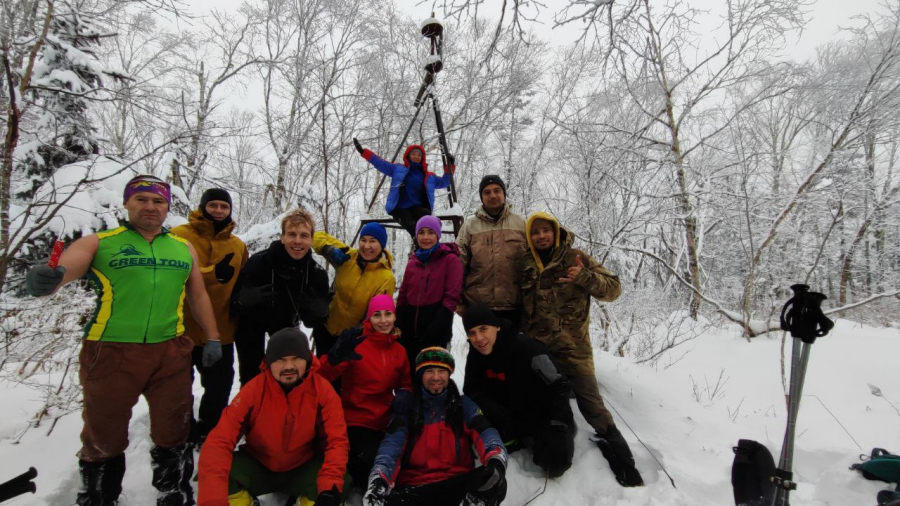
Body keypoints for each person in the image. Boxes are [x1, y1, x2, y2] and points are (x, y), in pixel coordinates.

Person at [24, 174, 222, 506]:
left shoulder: (181, 247)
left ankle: (174, 492)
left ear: (167, 207)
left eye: (158, 201)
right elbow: (67, 267)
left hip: (170, 350)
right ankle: (100, 497)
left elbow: (198, 295)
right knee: (104, 434)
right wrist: (51, 278)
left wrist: (213, 338)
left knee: (174, 428)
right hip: (111, 350)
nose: (150, 207)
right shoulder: (101, 242)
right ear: (127, 203)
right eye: (142, 199)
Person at [519, 211, 643, 487]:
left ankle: (623, 460)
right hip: (538, 351)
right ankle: (542, 448)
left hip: (572, 349)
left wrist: (584, 277)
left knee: (592, 405)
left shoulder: (576, 257)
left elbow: (614, 289)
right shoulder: (525, 264)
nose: (541, 236)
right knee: (534, 402)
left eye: (545, 231)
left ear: (555, 232)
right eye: (535, 232)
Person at [197, 328, 349, 506]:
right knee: (215, 477)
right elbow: (220, 440)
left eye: (297, 359)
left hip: (302, 465)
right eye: (280, 360)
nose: (289, 367)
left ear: (307, 361)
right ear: (269, 362)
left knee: (338, 484)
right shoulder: (253, 390)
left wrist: (328, 489)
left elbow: (336, 441)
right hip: (258, 463)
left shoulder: (323, 392)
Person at [363, 347, 508, 506]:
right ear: (420, 375)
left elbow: (485, 432)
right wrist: (379, 480)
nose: (436, 377)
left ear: (449, 373)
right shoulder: (407, 407)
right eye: (429, 371)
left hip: (456, 484)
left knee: (494, 480)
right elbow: (391, 446)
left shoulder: (463, 405)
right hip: (414, 489)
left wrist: (496, 460)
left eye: (442, 371)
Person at [171, 188, 249, 445]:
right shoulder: (179, 237)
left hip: (222, 329)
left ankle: (210, 429)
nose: (218, 210)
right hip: (183, 329)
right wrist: (211, 273)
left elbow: (244, 282)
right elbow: (173, 276)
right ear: (203, 207)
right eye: (213, 205)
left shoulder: (237, 246)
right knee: (179, 388)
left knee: (219, 386)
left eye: (223, 206)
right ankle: (182, 431)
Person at [462, 303, 575, 478]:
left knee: (555, 461)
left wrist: (558, 423)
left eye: (483, 329)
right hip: (510, 412)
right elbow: (470, 389)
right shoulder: (476, 353)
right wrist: (497, 412)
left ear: (496, 327)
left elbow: (560, 386)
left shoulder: (527, 348)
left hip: (543, 412)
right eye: (472, 333)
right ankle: (515, 437)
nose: (478, 338)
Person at [316, 294, 412, 489]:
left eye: (388, 314)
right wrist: (334, 357)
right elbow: (323, 376)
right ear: (369, 318)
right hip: (355, 418)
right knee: (362, 469)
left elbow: (406, 382)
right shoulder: (356, 344)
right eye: (377, 315)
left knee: (398, 464)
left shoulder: (399, 351)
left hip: (384, 421)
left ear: (395, 317)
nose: (383, 320)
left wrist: (404, 392)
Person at [231, 209, 330, 385]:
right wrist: (241, 299)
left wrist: (318, 312)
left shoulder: (316, 274)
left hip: (286, 323)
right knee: (251, 374)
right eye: (292, 234)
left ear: (311, 240)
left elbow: (313, 323)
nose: (298, 241)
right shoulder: (259, 263)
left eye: (304, 235)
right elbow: (233, 304)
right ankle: (252, 409)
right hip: (252, 322)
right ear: (282, 237)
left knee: (290, 372)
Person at [310, 222, 395, 357]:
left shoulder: (386, 278)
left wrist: (352, 338)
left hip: (349, 340)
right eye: (363, 240)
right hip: (325, 329)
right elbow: (315, 236)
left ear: (382, 245)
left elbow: (376, 316)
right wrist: (328, 249)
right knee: (321, 371)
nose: (366, 246)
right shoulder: (348, 257)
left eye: (373, 241)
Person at [455, 175, 527, 329]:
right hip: (478, 307)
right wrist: (459, 302)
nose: (492, 195)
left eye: (497, 190)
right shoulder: (470, 226)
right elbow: (458, 265)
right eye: (487, 192)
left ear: (504, 194)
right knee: (482, 351)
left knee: (513, 352)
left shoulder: (521, 223)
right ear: (481, 197)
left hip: (515, 306)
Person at [352, 138, 454, 240]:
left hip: (418, 208)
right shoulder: (398, 169)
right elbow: (380, 163)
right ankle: (420, 249)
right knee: (414, 228)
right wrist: (363, 152)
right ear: (408, 155)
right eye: (414, 154)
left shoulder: (429, 176)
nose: (416, 157)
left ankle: (430, 248)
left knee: (427, 223)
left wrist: (450, 166)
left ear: (422, 158)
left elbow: (445, 182)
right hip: (399, 208)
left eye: (419, 155)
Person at [396, 216, 463, 369]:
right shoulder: (413, 262)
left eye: (431, 232)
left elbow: (452, 296)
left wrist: (436, 327)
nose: (426, 237)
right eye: (422, 232)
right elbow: (404, 293)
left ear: (438, 235)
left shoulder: (450, 260)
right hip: (411, 330)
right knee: (410, 374)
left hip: (436, 327)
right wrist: (400, 322)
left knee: (433, 375)